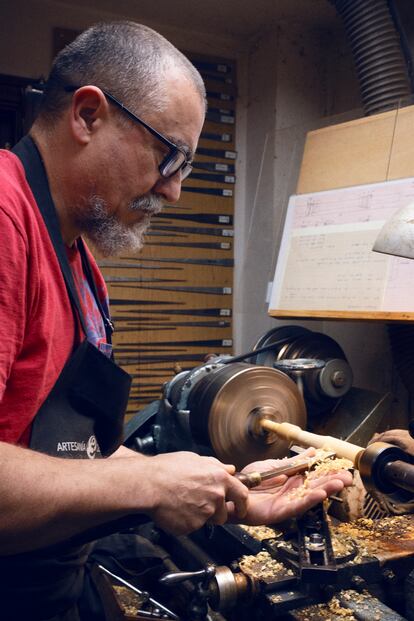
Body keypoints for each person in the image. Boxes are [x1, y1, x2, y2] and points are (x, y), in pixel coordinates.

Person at [0, 21, 352, 620]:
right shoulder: (7, 222)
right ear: (88, 116)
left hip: (50, 578)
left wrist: (223, 488)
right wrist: (151, 486)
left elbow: (67, 454)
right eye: (171, 156)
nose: (176, 191)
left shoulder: (80, 261)